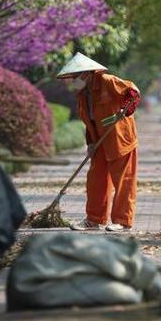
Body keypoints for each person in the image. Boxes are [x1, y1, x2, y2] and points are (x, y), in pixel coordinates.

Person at [56, 53, 141, 232]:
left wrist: (124, 111)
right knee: (96, 179)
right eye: (72, 77)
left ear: (87, 73)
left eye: (76, 76)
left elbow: (133, 92)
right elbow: (89, 122)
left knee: (123, 181)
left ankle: (122, 221)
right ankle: (94, 220)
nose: (73, 80)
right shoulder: (82, 95)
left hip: (119, 138)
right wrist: (90, 144)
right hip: (100, 141)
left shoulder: (107, 81)